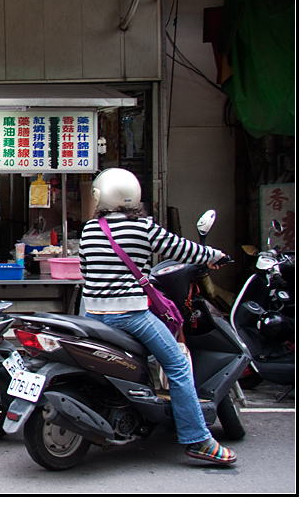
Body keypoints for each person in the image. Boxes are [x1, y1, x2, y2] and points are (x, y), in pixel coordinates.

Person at [79, 168, 236, 466]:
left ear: (100, 195)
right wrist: (216, 256)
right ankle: (197, 439)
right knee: (177, 365)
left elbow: (85, 273)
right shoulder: (143, 228)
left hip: (93, 314)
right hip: (130, 315)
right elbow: (183, 249)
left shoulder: (89, 229)